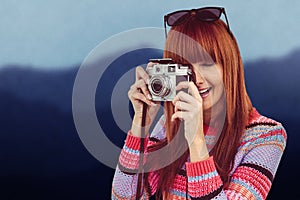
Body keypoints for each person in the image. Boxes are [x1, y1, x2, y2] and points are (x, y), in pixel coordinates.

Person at [111, 6, 287, 200]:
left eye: (207, 63)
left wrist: (196, 141)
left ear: (230, 64)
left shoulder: (266, 136)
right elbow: (124, 197)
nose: (198, 78)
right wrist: (140, 124)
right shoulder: (168, 125)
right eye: (185, 67)